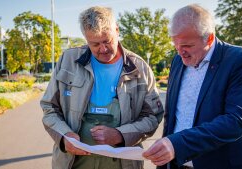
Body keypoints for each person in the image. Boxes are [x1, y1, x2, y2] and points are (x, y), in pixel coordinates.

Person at [143, 4, 242, 169]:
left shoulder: (241, 60)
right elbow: (172, 117)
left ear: (209, 38)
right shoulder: (177, 61)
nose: (181, 53)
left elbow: (235, 121)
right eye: (176, 46)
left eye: (187, 46)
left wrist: (177, 144)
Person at [40, 6, 164, 169]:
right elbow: (50, 107)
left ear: (117, 30)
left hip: (123, 164)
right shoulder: (68, 61)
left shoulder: (139, 68)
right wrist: (64, 136)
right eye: (95, 44)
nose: (103, 49)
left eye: (107, 41)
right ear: (85, 38)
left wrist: (120, 135)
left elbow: (152, 117)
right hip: (73, 162)